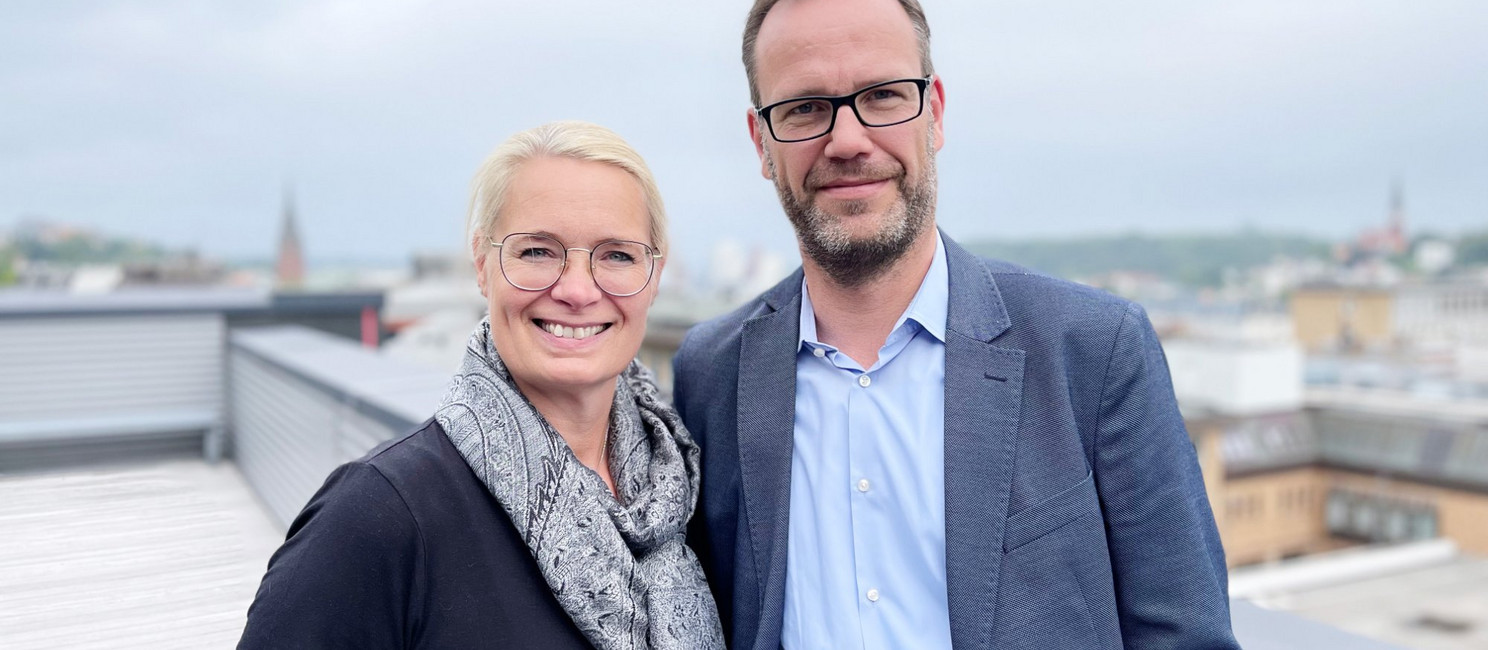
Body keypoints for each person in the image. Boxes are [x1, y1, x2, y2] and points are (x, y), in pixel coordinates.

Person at [671, 1, 1241, 648]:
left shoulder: (1092, 351)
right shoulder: (711, 373)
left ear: (934, 112)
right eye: (804, 108)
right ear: (761, 143)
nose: (849, 139)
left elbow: (1185, 635)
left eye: (883, 95)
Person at [240, 121, 724, 649]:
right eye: (537, 251)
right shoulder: (379, 516)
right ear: (482, 264)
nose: (579, 290)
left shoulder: (687, 488)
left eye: (617, 255)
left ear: (654, 277)